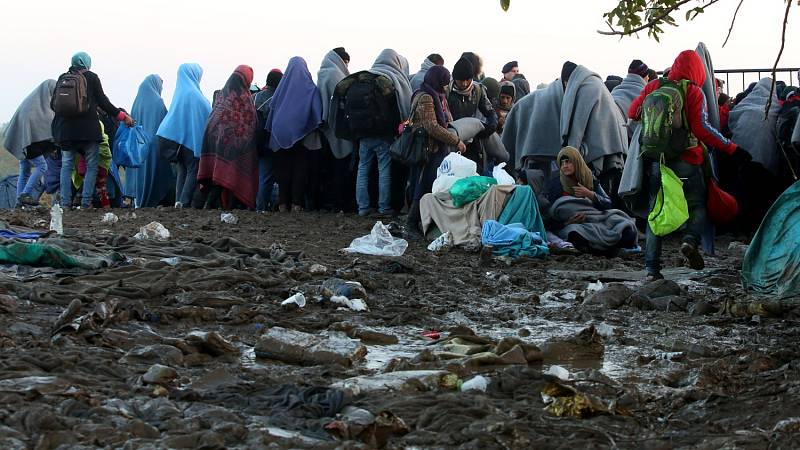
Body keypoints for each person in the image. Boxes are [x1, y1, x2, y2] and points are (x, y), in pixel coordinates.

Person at [629, 49, 751, 281]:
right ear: (698, 70)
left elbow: (632, 112)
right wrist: (732, 148)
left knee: (656, 211)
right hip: (688, 161)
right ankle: (689, 241)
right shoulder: (693, 91)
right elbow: (702, 129)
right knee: (697, 206)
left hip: (658, 161)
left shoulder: (653, 86)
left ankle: (652, 269)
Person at [52, 52, 134, 208]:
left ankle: (65, 203)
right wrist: (123, 116)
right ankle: (86, 201)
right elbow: (103, 102)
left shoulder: (63, 78)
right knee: (91, 165)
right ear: (87, 63)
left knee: (67, 165)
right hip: (88, 131)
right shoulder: (92, 77)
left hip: (66, 132)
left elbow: (53, 104)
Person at [406, 65, 467, 235]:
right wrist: (456, 140)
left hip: (435, 149)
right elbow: (431, 126)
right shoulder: (426, 97)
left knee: (429, 186)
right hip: (428, 150)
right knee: (422, 186)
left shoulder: (437, 96)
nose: (446, 86)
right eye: (444, 83)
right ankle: (411, 224)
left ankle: (423, 221)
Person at [546, 147, 638, 255]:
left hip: (598, 220)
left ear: (577, 162)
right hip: (575, 225)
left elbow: (608, 204)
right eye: (562, 163)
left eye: (568, 162)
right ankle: (606, 250)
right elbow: (550, 217)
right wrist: (568, 222)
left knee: (626, 227)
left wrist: (590, 194)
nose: (565, 166)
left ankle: (605, 249)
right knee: (574, 235)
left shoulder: (590, 179)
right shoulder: (556, 186)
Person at [355, 49, 413, 217]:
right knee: (384, 170)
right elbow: (401, 107)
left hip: (363, 133)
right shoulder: (391, 79)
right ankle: (384, 207)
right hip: (383, 134)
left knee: (363, 169)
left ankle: (363, 207)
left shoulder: (365, 77)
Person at [265, 56, 323, 213]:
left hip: (279, 136)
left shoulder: (281, 89)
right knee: (300, 170)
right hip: (302, 137)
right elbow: (317, 115)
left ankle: (283, 204)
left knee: (283, 170)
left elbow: (272, 110)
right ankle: (297, 204)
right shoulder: (310, 89)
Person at [196, 65, 259, 210]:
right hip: (233, 149)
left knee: (217, 178)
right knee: (227, 177)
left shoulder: (221, 98)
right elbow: (250, 126)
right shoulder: (245, 100)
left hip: (214, 145)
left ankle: (211, 204)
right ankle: (219, 204)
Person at [156, 63, 211, 208]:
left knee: (182, 169)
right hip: (190, 141)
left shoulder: (180, 92)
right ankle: (184, 201)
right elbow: (207, 111)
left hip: (176, 139)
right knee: (193, 168)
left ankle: (178, 201)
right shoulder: (194, 94)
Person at [4, 79, 57, 207]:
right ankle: (25, 194)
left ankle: (18, 203)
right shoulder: (39, 106)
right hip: (30, 142)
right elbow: (46, 125)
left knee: (25, 171)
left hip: (23, 142)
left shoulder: (33, 101)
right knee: (42, 166)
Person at [129, 75, 171, 208]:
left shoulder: (136, 103)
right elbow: (166, 124)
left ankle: (139, 202)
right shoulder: (158, 102)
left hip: (138, 148)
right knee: (154, 175)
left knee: (141, 177)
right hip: (154, 147)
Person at [253, 69, 283, 212]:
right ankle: (262, 207)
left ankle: (257, 205)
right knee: (266, 177)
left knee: (259, 176)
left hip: (253, 141)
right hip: (268, 142)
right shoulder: (278, 99)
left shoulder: (255, 97)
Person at [611, 59, 650, 137]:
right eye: (647, 75)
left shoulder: (616, 89)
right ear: (644, 76)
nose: (648, 78)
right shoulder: (643, 94)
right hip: (623, 135)